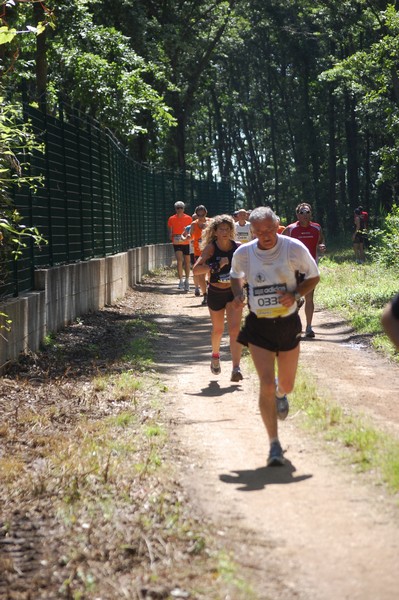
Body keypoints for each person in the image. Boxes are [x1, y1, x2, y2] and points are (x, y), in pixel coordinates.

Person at [230, 206, 320, 466]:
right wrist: (238, 295)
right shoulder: (244, 253)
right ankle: (274, 445)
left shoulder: (292, 248)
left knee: (286, 385)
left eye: (270, 229)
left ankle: (282, 393)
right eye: (259, 231)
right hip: (259, 325)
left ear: (277, 225)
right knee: (266, 383)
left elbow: (314, 276)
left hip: (288, 322)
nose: (266, 235)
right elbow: (236, 276)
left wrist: (296, 293)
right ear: (252, 231)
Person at [193, 214, 244, 382]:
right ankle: (215, 356)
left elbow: (247, 268)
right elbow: (196, 270)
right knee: (218, 329)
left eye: (228, 229)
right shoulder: (211, 248)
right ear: (215, 231)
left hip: (233, 292)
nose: (224, 232)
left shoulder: (238, 247)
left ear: (232, 231)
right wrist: (216, 265)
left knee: (235, 329)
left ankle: (236, 368)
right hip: (215, 293)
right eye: (221, 229)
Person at [282, 203, 325, 338]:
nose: (305, 215)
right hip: (293, 269)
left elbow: (321, 242)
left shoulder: (317, 228)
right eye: (302, 212)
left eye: (307, 212)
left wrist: (322, 246)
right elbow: (279, 243)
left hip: (310, 268)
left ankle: (309, 327)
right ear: (297, 215)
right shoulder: (291, 229)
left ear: (311, 213)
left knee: (309, 297)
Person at [186, 205, 211, 304]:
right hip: (198, 253)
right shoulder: (193, 224)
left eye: (202, 212)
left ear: (205, 213)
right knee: (201, 275)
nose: (201, 215)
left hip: (210, 252)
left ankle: (210, 292)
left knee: (211, 274)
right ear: (196, 214)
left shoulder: (211, 222)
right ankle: (205, 295)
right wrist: (188, 236)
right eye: (199, 213)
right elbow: (190, 236)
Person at [167, 201, 192, 291]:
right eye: (178, 208)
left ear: (183, 208)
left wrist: (188, 237)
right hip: (177, 241)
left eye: (181, 207)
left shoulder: (189, 218)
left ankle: (187, 280)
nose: (179, 209)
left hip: (186, 242)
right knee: (179, 260)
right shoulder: (171, 219)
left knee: (187, 262)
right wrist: (171, 235)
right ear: (175, 209)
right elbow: (170, 231)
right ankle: (181, 280)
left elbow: (191, 230)